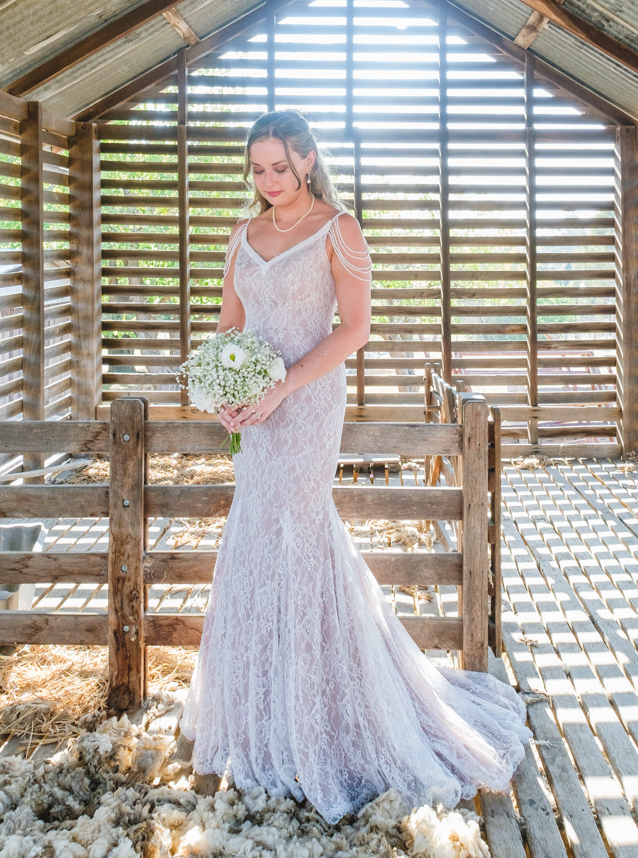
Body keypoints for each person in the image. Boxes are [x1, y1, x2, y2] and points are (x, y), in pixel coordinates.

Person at [179, 109, 529, 822]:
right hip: (254, 410)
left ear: (307, 160)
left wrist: (282, 386)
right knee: (253, 536)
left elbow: (357, 328)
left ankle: (327, 715)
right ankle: (261, 715)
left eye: (279, 166)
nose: (268, 180)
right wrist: (225, 390)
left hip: (307, 406)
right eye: (257, 169)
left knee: (302, 532)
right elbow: (228, 325)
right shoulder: (242, 236)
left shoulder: (339, 229)